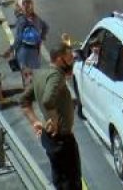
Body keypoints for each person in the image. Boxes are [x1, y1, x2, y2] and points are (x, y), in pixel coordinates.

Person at [20, 41, 82, 190]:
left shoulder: (41, 74)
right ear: (60, 59)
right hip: (62, 139)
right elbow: (48, 100)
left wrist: (35, 121)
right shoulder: (57, 76)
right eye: (69, 57)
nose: (72, 60)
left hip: (50, 138)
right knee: (71, 180)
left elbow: (24, 101)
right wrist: (53, 119)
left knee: (59, 177)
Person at [10, 0, 49, 87]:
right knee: (34, 72)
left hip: (23, 50)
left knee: (25, 73)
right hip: (35, 50)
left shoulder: (21, 20)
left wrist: (12, 50)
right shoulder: (36, 18)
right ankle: (34, 89)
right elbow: (46, 27)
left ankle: (28, 91)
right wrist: (41, 37)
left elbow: (18, 38)